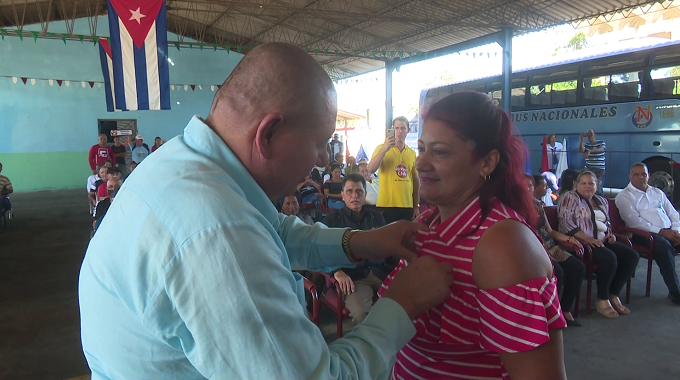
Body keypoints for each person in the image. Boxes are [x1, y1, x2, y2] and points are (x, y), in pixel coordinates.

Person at [79, 42, 454, 380]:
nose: (324, 159)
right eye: (320, 143)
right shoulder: (217, 232)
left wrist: (365, 241)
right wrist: (401, 305)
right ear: (269, 134)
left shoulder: (184, 164)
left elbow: (277, 231)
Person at [379, 91, 567, 379]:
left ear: (487, 162)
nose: (421, 163)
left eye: (439, 151)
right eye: (422, 148)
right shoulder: (431, 222)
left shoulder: (500, 244)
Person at [558, 170, 640, 318]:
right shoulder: (570, 197)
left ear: (597, 185)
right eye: (584, 183)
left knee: (632, 256)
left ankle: (613, 293)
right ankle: (602, 299)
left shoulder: (601, 200)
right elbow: (566, 223)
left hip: (602, 241)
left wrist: (610, 233)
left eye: (591, 183)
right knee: (609, 258)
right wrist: (588, 239)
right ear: (576, 184)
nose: (588, 186)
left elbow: (606, 222)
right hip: (581, 243)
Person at [322, 173, 393, 322]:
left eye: (359, 191)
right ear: (342, 195)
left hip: (382, 272)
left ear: (365, 194)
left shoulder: (376, 217)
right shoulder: (332, 222)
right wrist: (337, 271)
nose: (355, 195)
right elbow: (322, 253)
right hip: (355, 278)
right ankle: (369, 344)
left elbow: (389, 246)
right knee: (362, 313)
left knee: (406, 302)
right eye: (349, 191)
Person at [615, 163, 680, 305]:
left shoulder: (657, 192)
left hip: (669, 230)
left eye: (643, 174)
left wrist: (675, 231)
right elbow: (634, 222)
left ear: (649, 175)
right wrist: (663, 233)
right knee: (664, 246)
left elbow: (673, 213)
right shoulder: (625, 196)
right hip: (644, 234)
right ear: (630, 176)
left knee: (668, 242)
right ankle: (675, 292)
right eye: (636, 174)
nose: (641, 177)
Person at [526, 174, 586, 326]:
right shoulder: (513, 207)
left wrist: (569, 239)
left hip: (550, 247)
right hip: (533, 251)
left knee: (577, 267)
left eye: (530, 186)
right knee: (556, 272)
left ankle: (565, 309)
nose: (527, 189)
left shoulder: (537, 205)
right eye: (523, 186)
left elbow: (550, 231)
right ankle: (552, 315)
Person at [369, 116, 420, 223]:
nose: (399, 131)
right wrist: (385, 149)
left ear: (408, 130)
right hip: (386, 205)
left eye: (403, 128)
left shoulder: (412, 153)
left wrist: (416, 206)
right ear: (392, 129)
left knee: (406, 238)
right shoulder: (381, 148)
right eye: (397, 128)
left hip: (407, 205)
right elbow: (371, 169)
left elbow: (416, 181)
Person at [579, 129, 606, 194]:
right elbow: (581, 150)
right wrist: (582, 139)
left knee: (598, 188)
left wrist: (590, 151)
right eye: (588, 134)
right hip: (589, 168)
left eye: (591, 133)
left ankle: (600, 202)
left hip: (599, 169)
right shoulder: (587, 145)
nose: (589, 135)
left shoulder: (601, 142)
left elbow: (602, 149)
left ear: (595, 135)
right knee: (589, 187)